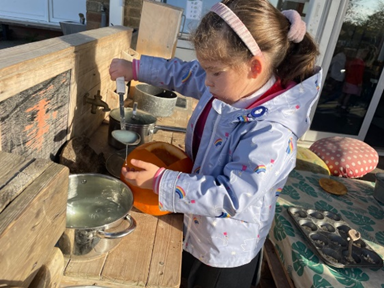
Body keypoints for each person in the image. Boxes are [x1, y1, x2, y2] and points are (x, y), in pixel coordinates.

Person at [109, 0, 321, 287]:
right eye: (205, 68)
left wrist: (162, 182)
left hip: (226, 249)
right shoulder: (231, 82)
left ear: (254, 66)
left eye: (214, 72)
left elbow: (232, 195)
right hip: (196, 219)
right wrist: (135, 68)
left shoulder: (272, 132)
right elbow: (184, 73)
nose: (205, 81)